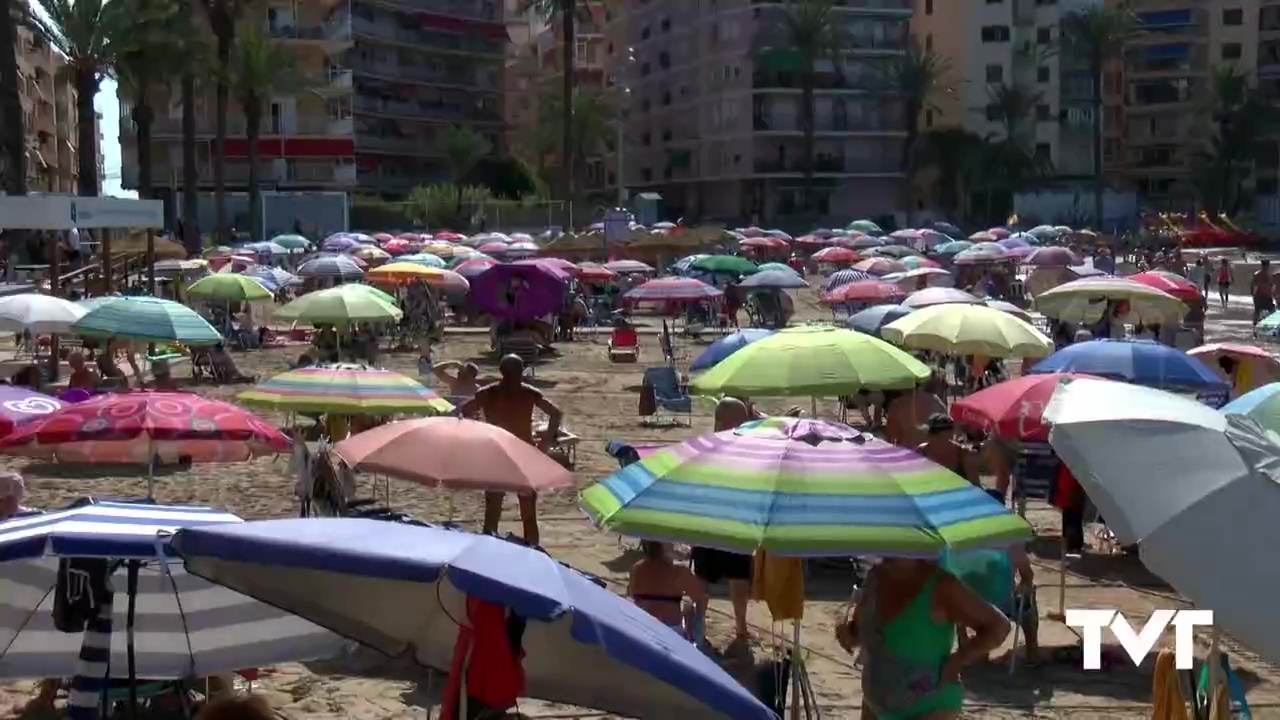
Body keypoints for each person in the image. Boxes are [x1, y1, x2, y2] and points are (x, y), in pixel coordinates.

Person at [836, 557, 1010, 719]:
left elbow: (998, 626)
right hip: (875, 704)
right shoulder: (875, 576)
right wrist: (849, 633)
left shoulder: (941, 585)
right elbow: (864, 632)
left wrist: (956, 661)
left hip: (929, 707)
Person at [459, 355, 562, 546]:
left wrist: (477, 431)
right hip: (523, 454)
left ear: (501, 371)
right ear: (521, 371)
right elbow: (555, 413)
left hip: (497, 454)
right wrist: (546, 441)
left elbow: (465, 410)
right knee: (528, 514)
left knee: (492, 512)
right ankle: (532, 552)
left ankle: (488, 550)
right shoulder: (529, 393)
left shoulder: (489, 393)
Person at [688, 397, 756, 655]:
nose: (745, 423)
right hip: (710, 521)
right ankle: (699, 626)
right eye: (740, 419)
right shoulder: (708, 447)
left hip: (734, 522)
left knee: (739, 579)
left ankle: (740, 626)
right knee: (703, 580)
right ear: (721, 421)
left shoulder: (743, 446)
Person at [627, 540, 708, 641]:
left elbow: (631, 592)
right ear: (664, 546)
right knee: (689, 607)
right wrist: (697, 619)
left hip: (642, 628)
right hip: (670, 631)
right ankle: (698, 639)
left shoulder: (637, 568)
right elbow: (702, 596)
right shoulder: (678, 572)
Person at [918, 414, 977, 484]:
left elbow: (976, 485)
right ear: (929, 435)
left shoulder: (963, 455)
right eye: (939, 438)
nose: (943, 443)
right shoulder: (920, 453)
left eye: (947, 438)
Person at [1253, 259, 1276, 324]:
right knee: (1272, 311)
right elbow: (1271, 286)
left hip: (1259, 295)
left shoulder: (1257, 274)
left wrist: (1253, 295)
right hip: (1265, 296)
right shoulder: (1268, 275)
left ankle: (1255, 325)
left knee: (1257, 310)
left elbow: (1253, 286)